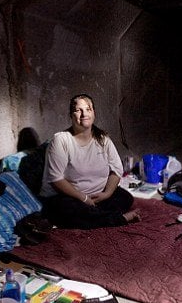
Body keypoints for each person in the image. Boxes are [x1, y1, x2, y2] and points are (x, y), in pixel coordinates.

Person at [39, 94, 140, 229]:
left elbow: (116, 170)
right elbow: (56, 179)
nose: (84, 114)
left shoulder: (103, 139)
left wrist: (107, 194)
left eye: (88, 109)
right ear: (71, 115)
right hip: (71, 197)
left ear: (94, 113)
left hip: (99, 197)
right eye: (78, 110)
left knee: (125, 198)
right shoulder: (61, 140)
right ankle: (118, 219)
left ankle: (95, 216)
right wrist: (83, 198)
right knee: (65, 209)